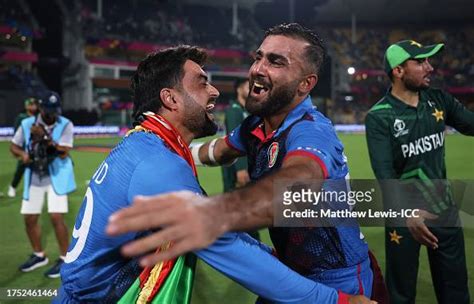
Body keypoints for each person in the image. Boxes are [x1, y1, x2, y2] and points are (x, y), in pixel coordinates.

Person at [56, 46, 373, 304]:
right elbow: (229, 247)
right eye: (202, 82)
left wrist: (273, 255)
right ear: (171, 98)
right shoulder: (158, 166)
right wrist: (336, 301)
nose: (214, 93)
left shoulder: (146, 145)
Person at [365, 40, 474, 303]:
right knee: (400, 295)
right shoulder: (379, 116)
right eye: (421, 62)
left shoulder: (438, 100)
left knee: (456, 292)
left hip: (443, 209)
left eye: (428, 60)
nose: (430, 67)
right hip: (404, 218)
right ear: (398, 71)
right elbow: (385, 175)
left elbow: (471, 125)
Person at [10, 91, 76, 278]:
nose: (52, 114)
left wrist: (45, 136)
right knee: (30, 218)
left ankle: (65, 259)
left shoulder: (65, 124)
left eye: (55, 110)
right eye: (48, 109)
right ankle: (39, 255)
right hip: (35, 174)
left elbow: (63, 151)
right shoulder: (27, 124)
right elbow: (14, 145)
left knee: (56, 217)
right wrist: (22, 155)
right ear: (41, 108)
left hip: (57, 175)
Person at [222, 78, 251, 192]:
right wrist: (241, 168)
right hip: (235, 164)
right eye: (248, 87)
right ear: (239, 90)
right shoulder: (234, 111)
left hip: (246, 161)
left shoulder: (246, 110)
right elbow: (236, 140)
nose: (252, 90)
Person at [7, 97, 39, 198]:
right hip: (24, 146)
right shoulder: (21, 117)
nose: (33, 106)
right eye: (31, 104)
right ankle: (12, 186)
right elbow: (17, 133)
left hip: (37, 146)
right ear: (26, 106)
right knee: (21, 166)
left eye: (35, 104)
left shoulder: (39, 116)